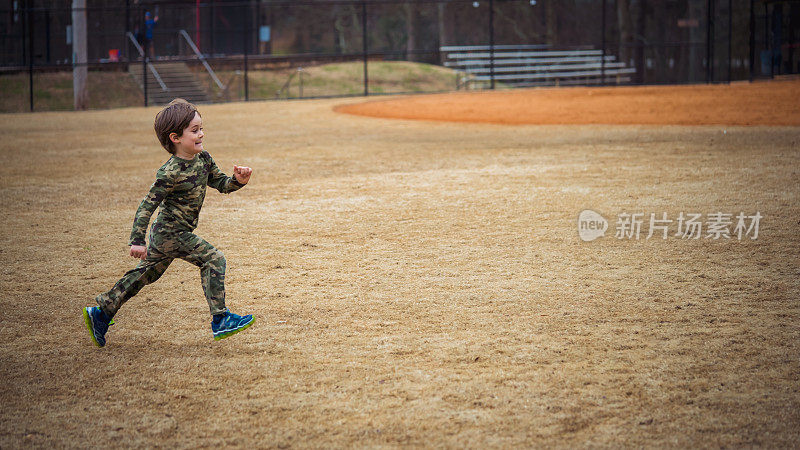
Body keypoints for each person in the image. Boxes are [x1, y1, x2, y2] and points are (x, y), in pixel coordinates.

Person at [83, 99, 255, 347]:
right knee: (214, 258)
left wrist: (238, 180)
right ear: (175, 137)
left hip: (175, 234)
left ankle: (101, 313)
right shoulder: (169, 173)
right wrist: (137, 241)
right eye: (194, 130)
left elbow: (221, 184)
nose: (201, 134)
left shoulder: (204, 159)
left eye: (201, 128)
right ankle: (221, 319)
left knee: (145, 275)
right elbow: (147, 205)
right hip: (170, 233)